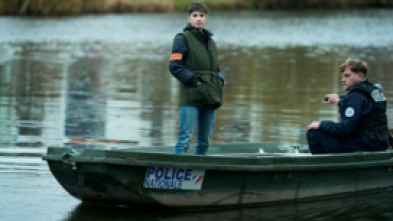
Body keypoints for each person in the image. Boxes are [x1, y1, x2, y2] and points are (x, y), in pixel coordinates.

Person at [169, 3, 224, 155]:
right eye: (195, 15)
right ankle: (178, 172)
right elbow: (174, 66)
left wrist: (220, 79)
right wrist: (194, 81)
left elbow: (215, 67)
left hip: (210, 96)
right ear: (189, 18)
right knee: (185, 139)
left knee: (205, 142)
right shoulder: (182, 38)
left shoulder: (210, 41)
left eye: (201, 15)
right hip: (191, 96)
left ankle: (201, 175)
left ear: (206, 18)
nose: (198, 19)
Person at [306, 58, 391, 154]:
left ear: (359, 76)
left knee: (314, 132)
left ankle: (324, 167)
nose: (343, 80)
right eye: (342, 76)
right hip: (380, 143)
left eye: (347, 76)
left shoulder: (355, 96)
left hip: (365, 146)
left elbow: (344, 130)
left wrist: (321, 125)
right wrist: (339, 102)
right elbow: (360, 109)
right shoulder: (374, 91)